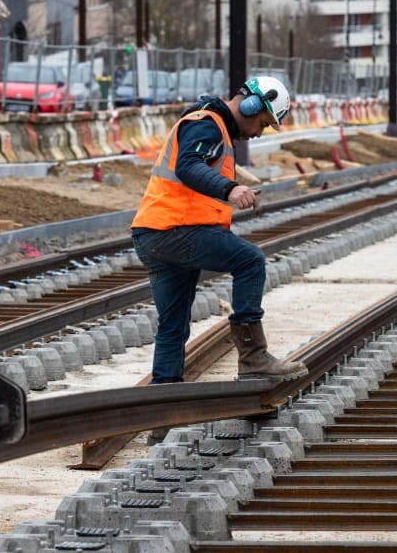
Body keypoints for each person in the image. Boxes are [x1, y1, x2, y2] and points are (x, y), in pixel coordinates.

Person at [131, 76, 309, 389]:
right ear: (252, 105)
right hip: (176, 230)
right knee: (250, 261)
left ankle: (161, 409)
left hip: (153, 235)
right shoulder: (207, 125)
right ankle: (254, 358)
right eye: (263, 124)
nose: (258, 133)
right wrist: (230, 189)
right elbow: (188, 166)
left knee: (173, 326)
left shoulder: (210, 126)